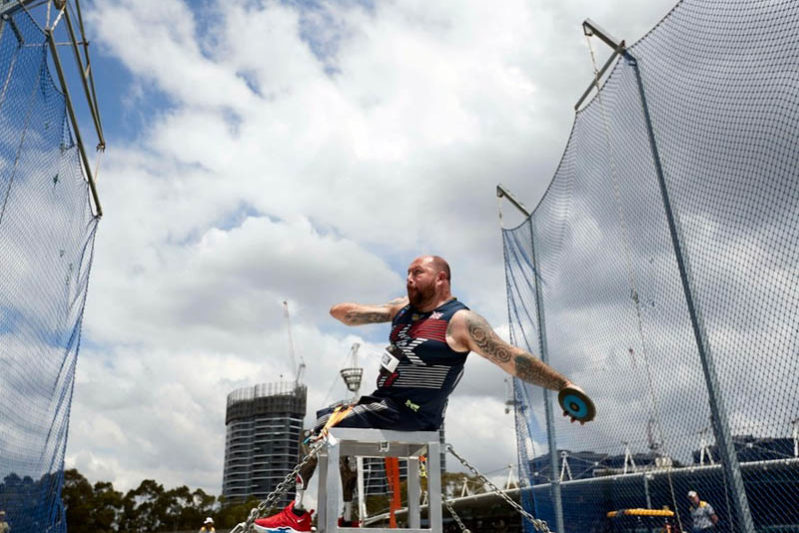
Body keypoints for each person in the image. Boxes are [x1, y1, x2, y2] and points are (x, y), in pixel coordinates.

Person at [254, 255, 591, 533]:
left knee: (322, 430)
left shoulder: (461, 321)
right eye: (407, 273)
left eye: (417, 273)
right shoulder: (402, 310)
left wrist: (562, 385)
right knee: (324, 419)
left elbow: (512, 358)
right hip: (382, 403)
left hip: (411, 413)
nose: (409, 279)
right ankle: (347, 516)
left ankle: (296, 515)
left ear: (441, 278)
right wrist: (355, 310)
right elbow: (343, 314)